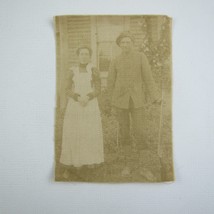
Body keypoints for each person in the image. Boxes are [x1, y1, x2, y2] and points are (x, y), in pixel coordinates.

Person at [107, 31, 160, 176]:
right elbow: (110, 82)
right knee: (124, 133)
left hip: (137, 101)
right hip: (120, 102)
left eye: (128, 42)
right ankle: (128, 165)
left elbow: (148, 78)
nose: (125, 45)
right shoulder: (115, 60)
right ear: (119, 45)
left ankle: (144, 167)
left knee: (140, 132)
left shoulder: (140, 57)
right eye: (122, 42)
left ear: (132, 43)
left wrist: (156, 96)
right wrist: (110, 102)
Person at [60, 46, 104, 172]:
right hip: (76, 104)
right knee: (76, 131)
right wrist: (76, 97)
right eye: (81, 54)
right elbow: (67, 88)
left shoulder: (94, 70)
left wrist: (89, 97)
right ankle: (77, 161)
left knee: (90, 131)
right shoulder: (72, 70)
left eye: (86, 54)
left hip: (90, 103)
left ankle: (91, 160)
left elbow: (98, 88)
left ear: (90, 56)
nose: (84, 56)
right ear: (78, 56)